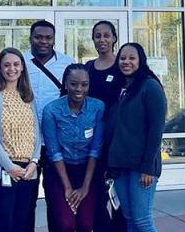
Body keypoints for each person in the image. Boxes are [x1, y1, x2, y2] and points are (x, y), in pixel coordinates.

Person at [0, 48, 41, 232]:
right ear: (0, 69)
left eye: (16, 64)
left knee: (22, 221)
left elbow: (36, 133)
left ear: (22, 68)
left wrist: (34, 163)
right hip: (1, 169)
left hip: (27, 170)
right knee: (4, 221)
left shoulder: (28, 97)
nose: (11, 69)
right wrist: (9, 166)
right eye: (6, 65)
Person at [107, 43, 167, 232]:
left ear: (140, 61)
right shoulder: (119, 87)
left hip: (142, 167)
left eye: (132, 58)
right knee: (130, 219)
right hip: (120, 166)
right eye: (123, 58)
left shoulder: (150, 86)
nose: (126, 62)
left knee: (142, 220)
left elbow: (156, 130)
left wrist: (148, 167)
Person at [23, 20, 74, 230]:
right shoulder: (20, 62)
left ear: (53, 40)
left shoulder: (67, 63)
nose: (43, 41)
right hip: (27, 143)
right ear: (31, 38)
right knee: (26, 201)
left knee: (58, 200)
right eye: (38, 37)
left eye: (48, 37)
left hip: (57, 144)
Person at [41, 64, 105, 232]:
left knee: (85, 224)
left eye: (84, 84)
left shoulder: (97, 108)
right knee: (65, 224)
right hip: (59, 172)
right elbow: (54, 152)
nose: (79, 89)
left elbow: (95, 150)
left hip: (86, 172)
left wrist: (85, 187)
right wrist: (68, 187)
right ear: (65, 84)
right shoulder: (51, 110)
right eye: (74, 84)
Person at [85, 21, 126, 231]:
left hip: (116, 141)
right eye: (97, 36)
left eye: (106, 35)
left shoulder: (122, 67)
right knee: (97, 198)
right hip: (92, 142)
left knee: (120, 199)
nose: (102, 40)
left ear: (114, 38)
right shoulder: (88, 67)